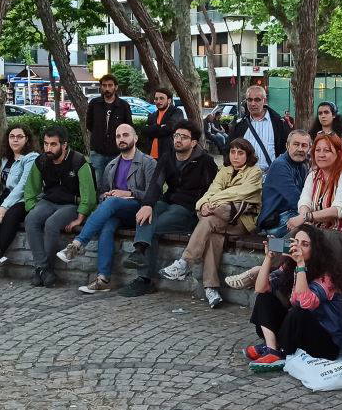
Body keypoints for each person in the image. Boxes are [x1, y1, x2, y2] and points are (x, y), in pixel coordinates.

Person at [118, 120, 218, 297]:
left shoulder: (205, 161)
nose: (178, 140)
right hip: (168, 201)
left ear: (193, 142)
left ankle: (144, 278)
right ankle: (139, 252)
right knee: (144, 214)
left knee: (154, 226)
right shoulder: (167, 157)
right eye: (176, 136)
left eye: (184, 137)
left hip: (188, 208)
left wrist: (203, 208)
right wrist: (147, 205)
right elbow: (156, 184)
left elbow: (213, 190)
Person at [163, 138, 263, 307]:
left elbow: (240, 193)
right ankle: (211, 289)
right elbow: (212, 189)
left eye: (240, 153)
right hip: (218, 220)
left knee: (214, 215)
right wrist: (203, 205)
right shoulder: (225, 170)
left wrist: (214, 202)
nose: (235, 156)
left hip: (241, 221)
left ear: (248, 155)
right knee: (212, 234)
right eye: (232, 152)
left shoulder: (255, 172)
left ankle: (185, 262)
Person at [60, 123, 156, 294]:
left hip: (139, 210)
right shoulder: (111, 165)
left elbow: (153, 194)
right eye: (118, 136)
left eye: (125, 135)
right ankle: (103, 279)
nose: (121, 139)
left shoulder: (148, 162)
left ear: (135, 138)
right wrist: (106, 196)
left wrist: (127, 193)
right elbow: (102, 193)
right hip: (116, 211)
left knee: (112, 203)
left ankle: (76, 244)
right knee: (107, 226)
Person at [245, 227, 342, 371]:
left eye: (305, 244)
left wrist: (301, 265)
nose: (298, 248)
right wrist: (268, 258)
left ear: (316, 250)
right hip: (301, 333)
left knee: (298, 312)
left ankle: (281, 350)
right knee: (265, 298)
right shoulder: (289, 265)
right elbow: (260, 288)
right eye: (296, 242)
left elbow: (305, 303)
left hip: (326, 343)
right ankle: (272, 349)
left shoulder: (327, 276)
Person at [22, 126, 97, 287]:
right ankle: (43, 269)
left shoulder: (78, 161)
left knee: (51, 223)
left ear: (64, 145)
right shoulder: (41, 161)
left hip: (71, 204)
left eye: (53, 144)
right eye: (46, 144)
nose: (48, 148)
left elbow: (89, 195)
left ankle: (44, 269)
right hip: (48, 202)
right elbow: (30, 189)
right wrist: (32, 207)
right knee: (31, 219)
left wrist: (80, 217)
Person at [289, 133, 342, 242]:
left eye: (327, 151)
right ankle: (270, 251)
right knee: (280, 244)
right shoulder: (313, 175)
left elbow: (339, 210)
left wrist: (306, 217)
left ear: (339, 153)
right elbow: (304, 202)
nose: (321, 155)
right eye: (318, 150)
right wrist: (303, 217)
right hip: (315, 230)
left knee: (302, 244)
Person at [0, 124, 38, 266]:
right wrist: (1, 203)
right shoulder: (6, 158)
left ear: (26, 139)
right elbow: (5, 183)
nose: (15, 140)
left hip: (25, 197)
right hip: (8, 194)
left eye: (19, 137)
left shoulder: (31, 158)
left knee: (10, 215)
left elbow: (23, 185)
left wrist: (4, 206)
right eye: (12, 136)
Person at [257, 129, 312, 237]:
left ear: (309, 148)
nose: (300, 149)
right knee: (312, 229)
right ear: (287, 146)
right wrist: (313, 214)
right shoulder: (280, 165)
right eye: (296, 144)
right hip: (275, 221)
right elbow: (295, 198)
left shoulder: (302, 165)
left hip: (292, 213)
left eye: (304, 145)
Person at [227, 85, 290, 170]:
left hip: (271, 174)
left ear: (264, 101)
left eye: (257, 100)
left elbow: (286, 151)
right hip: (245, 175)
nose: (253, 104)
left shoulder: (279, 123)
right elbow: (228, 149)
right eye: (250, 100)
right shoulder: (239, 125)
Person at [85, 74, 133, 184]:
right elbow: (89, 124)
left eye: (110, 85)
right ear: (101, 87)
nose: (107, 88)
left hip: (117, 152)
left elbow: (128, 127)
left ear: (116, 87)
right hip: (98, 151)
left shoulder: (123, 105)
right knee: (98, 182)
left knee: (117, 181)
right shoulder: (94, 103)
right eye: (104, 85)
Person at [141, 88, 184, 161]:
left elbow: (169, 128)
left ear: (169, 100)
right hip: (150, 157)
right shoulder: (152, 116)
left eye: (161, 98)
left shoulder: (176, 112)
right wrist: (160, 127)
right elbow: (145, 131)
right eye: (156, 99)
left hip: (168, 156)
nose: (158, 101)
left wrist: (153, 129)